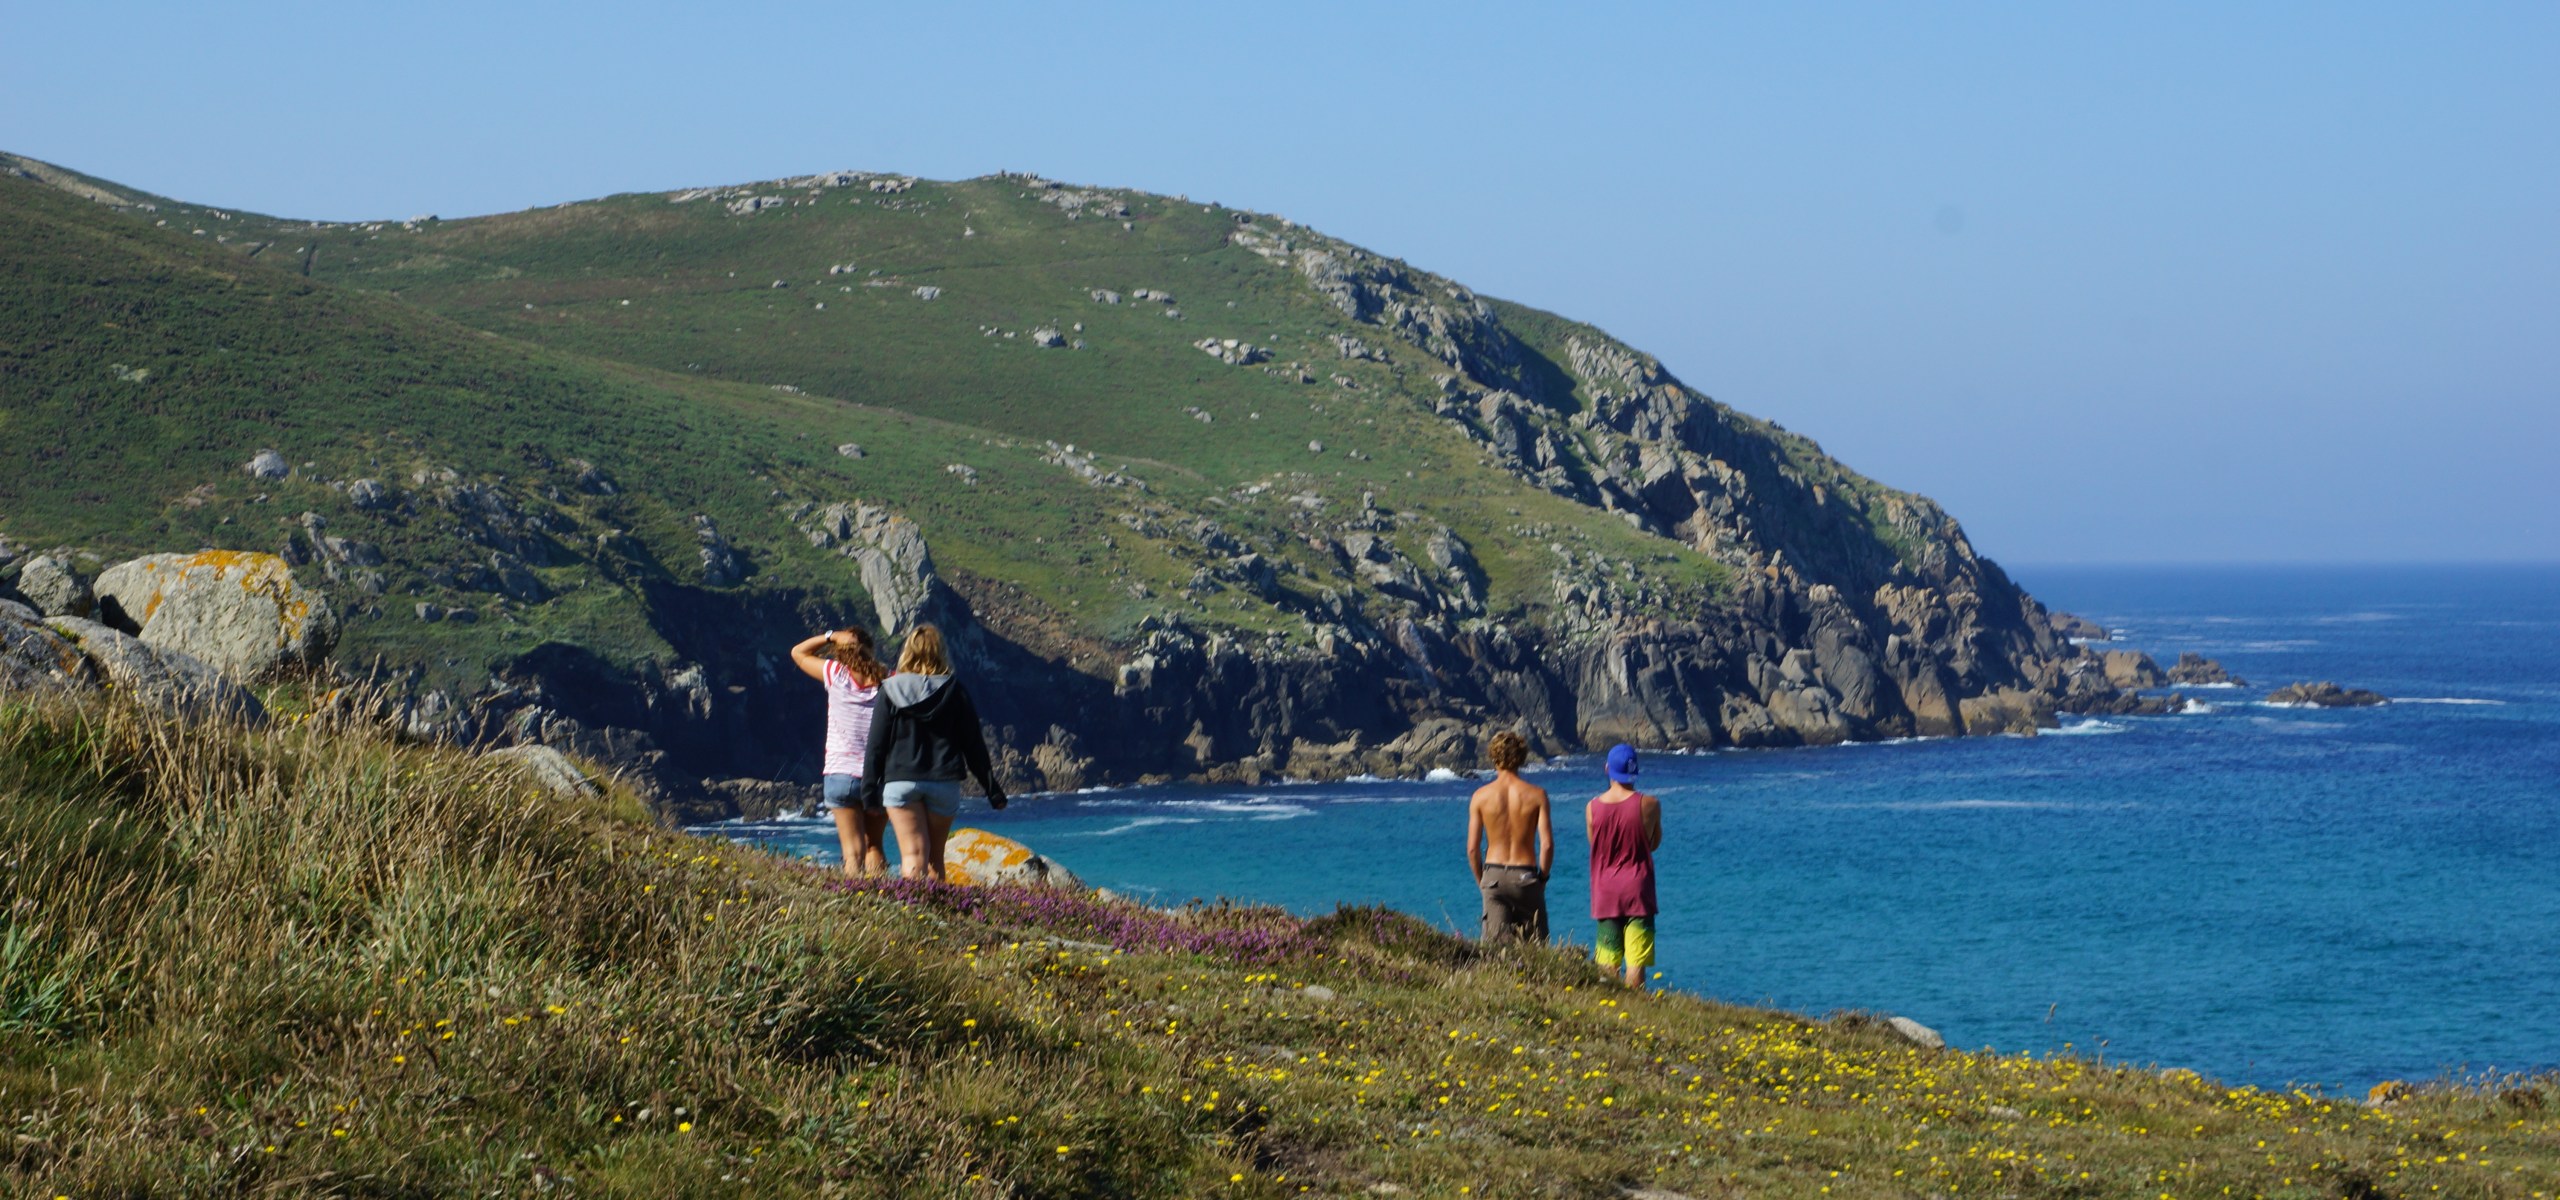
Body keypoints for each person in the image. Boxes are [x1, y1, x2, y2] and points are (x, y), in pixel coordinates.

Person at [861, 624, 1006, 881]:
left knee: (912, 856)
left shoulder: (890, 690)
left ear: (907, 652)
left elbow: (876, 746)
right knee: (935, 858)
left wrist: (869, 792)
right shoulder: (954, 690)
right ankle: (937, 912)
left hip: (900, 781)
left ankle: (911, 914)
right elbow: (973, 744)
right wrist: (992, 789)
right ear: (941, 652)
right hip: (943, 782)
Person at [788, 625, 889, 878]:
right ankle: (883, 901)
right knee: (874, 845)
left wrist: (830, 636)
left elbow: (798, 653)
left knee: (852, 853)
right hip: (878, 776)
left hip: (840, 774)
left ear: (840, 654)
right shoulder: (888, 681)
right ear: (871, 650)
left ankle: (855, 903)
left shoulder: (836, 674)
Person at [1466, 729, 1553, 943]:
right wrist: (1542, 878)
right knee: (1535, 951)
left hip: (1494, 874)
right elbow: (1547, 845)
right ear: (1521, 757)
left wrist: (1482, 882)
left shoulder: (1480, 796)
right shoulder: (1537, 795)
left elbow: (1472, 849)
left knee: (1495, 953)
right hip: (1525, 875)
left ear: (1493, 757)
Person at [1587, 743, 1661, 989]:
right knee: (1636, 961)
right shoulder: (1650, 804)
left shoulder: (1592, 808)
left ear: (1607, 768)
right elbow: (1653, 843)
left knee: (1608, 960)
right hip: (1638, 890)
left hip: (1605, 890)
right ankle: (1635, 1009)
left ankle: (1609, 1008)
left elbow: (1595, 845)